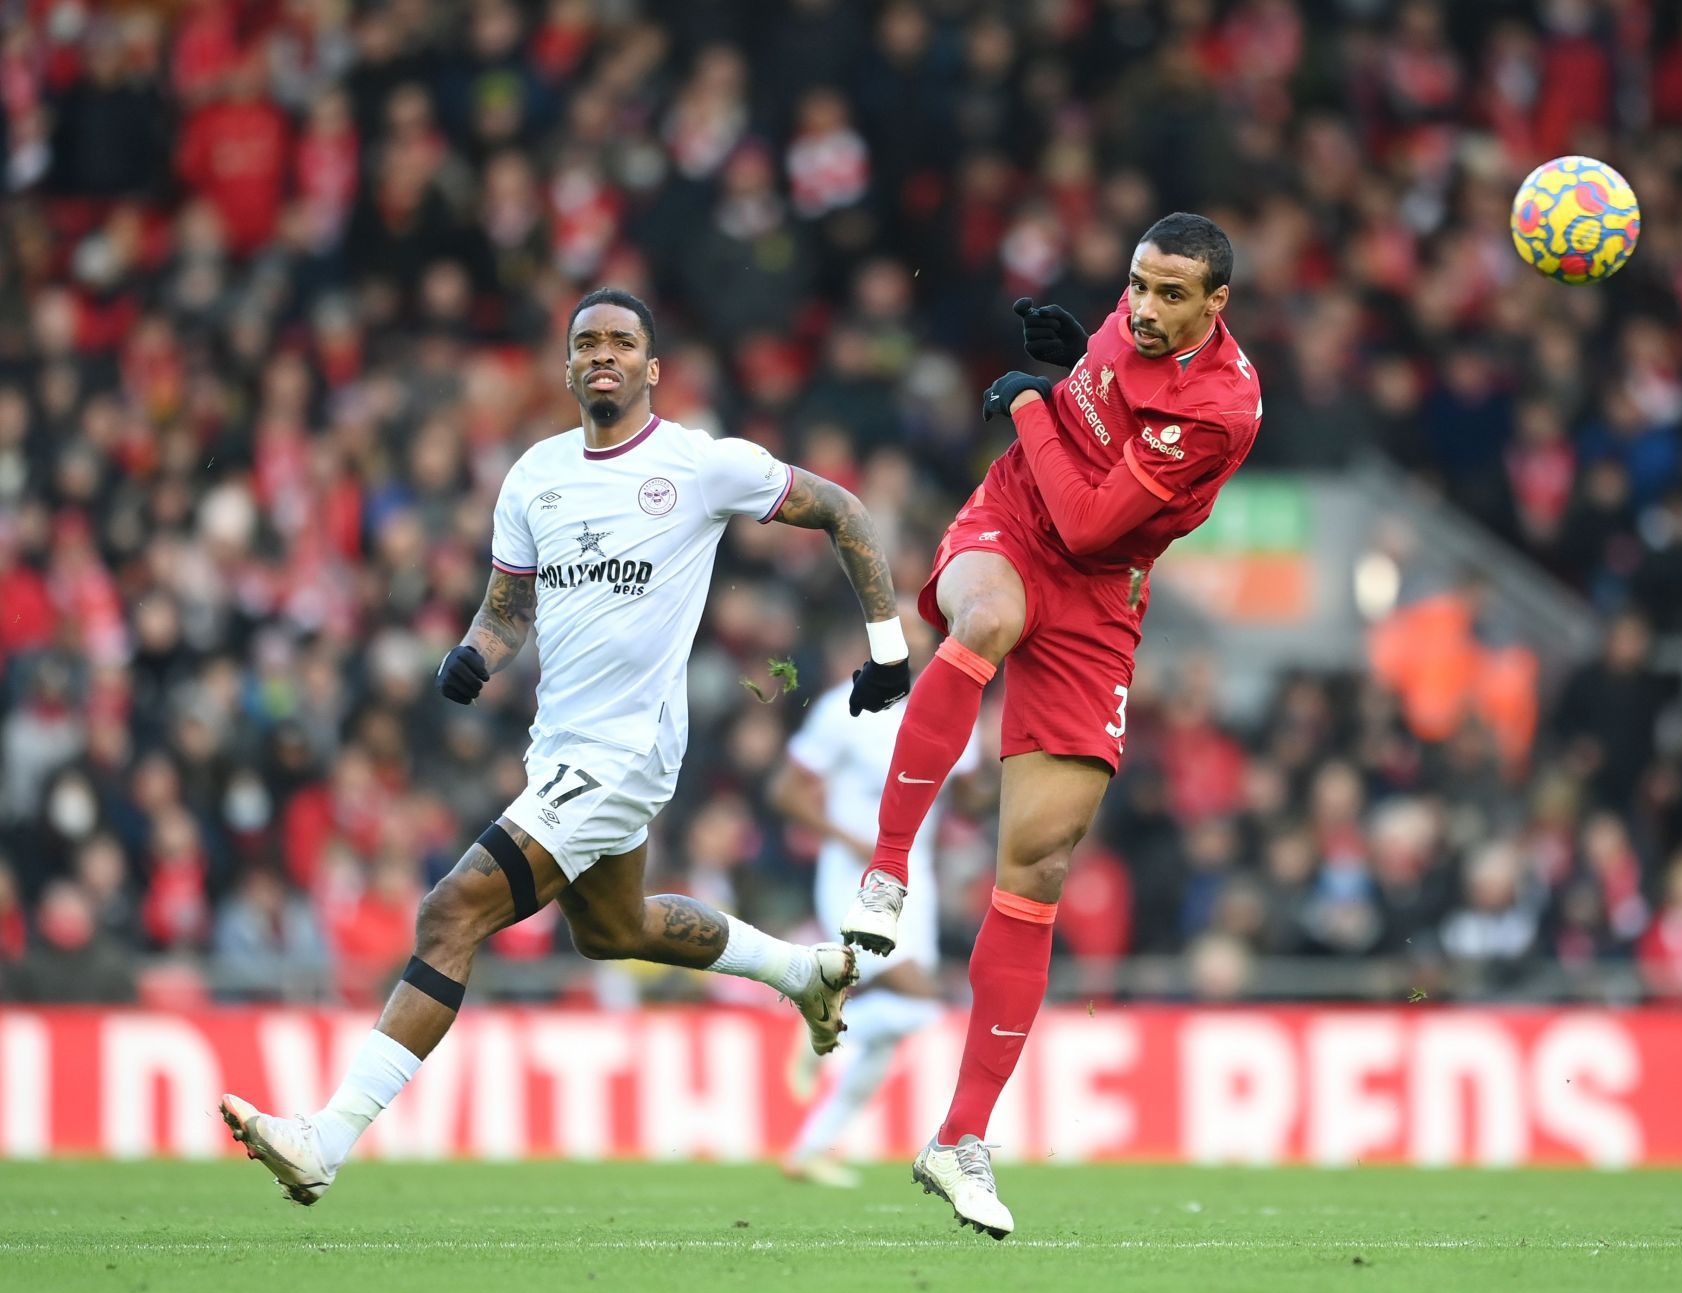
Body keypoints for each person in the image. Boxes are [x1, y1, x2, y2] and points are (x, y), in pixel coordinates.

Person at [219, 287, 912, 1205]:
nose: (603, 355)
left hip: (627, 754)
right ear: (568, 364)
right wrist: (474, 656)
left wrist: (889, 647)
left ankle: (326, 1137)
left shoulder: (701, 465)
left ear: (653, 368)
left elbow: (844, 510)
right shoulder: (535, 476)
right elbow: (509, 610)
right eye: (587, 343)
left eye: (623, 342)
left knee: (449, 912)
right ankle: (801, 970)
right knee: (610, 930)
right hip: (561, 748)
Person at [838, 213, 1261, 1236]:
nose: (1145, 310)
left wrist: (1034, 402)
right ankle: (887, 872)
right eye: (1138, 286)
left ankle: (959, 1136)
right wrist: (1077, 367)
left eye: (1171, 297)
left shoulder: (1221, 410)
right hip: (1010, 521)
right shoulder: (1131, 318)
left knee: (1037, 868)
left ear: (1219, 305)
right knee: (982, 617)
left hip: (1101, 586)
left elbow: (1090, 525)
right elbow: (1086, 443)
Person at [768, 627, 981, 1188]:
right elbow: (786, 791)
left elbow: (969, 800)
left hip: (918, 880)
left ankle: (812, 1147)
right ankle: (828, 1019)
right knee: (919, 1001)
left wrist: (1004, 750)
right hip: (857, 876)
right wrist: (850, 839)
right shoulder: (848, 706)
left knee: (899, 1028)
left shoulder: (954, 706)